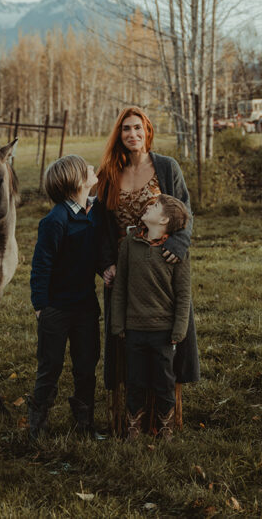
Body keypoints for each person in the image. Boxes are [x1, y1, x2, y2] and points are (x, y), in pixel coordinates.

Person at [95, 106, 200, 437]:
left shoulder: (167, 168)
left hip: (162, 266)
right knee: (126, 341)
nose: (132, 134)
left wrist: (179, 246)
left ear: (148, 131)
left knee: (165, 342)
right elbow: (98, 227)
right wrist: (105, 264)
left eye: (137, 128)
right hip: (125, 267)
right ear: (119, 134)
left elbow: (184, 212)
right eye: (125, 129)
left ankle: (165, 418)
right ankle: (130, 419)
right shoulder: (109, 173)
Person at [26, 155, 105, 442]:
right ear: (76, 181)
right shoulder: (55, 220)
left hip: (85, 307)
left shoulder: (94, 213)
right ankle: (38, 425)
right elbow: (41, 265)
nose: (92, 169)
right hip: (56, 309)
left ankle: (84, 422)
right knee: (51, 365)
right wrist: (40, 306)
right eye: (87, 168)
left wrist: (104, 268)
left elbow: (92, 254)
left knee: (86, 365)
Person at [110, 194, 192, 441]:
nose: (148, 206)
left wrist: (179, 330)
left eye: (155, 206)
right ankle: (133, 426)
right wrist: (118, 323)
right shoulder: (129, 245)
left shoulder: (176, 253)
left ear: (164, 219)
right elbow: (120, 286)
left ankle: (165, 428)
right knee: (134, 380)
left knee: (164, 381)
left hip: (163, 331)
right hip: (134, 328)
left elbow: (183, 293)